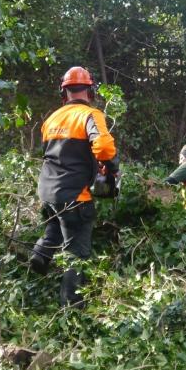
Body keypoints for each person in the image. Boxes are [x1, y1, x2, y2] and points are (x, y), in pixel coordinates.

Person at [29, 66, 119, 307]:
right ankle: (72, 308)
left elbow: (52, 153)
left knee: (54, 229)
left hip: (48, 191)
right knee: (76, 252)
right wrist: (110, 165)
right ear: (89, 90)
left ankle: (40, 256)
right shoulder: (89, 115)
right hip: (74, 196)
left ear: (64, 91)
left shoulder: (51, 119)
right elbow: (103, 147)